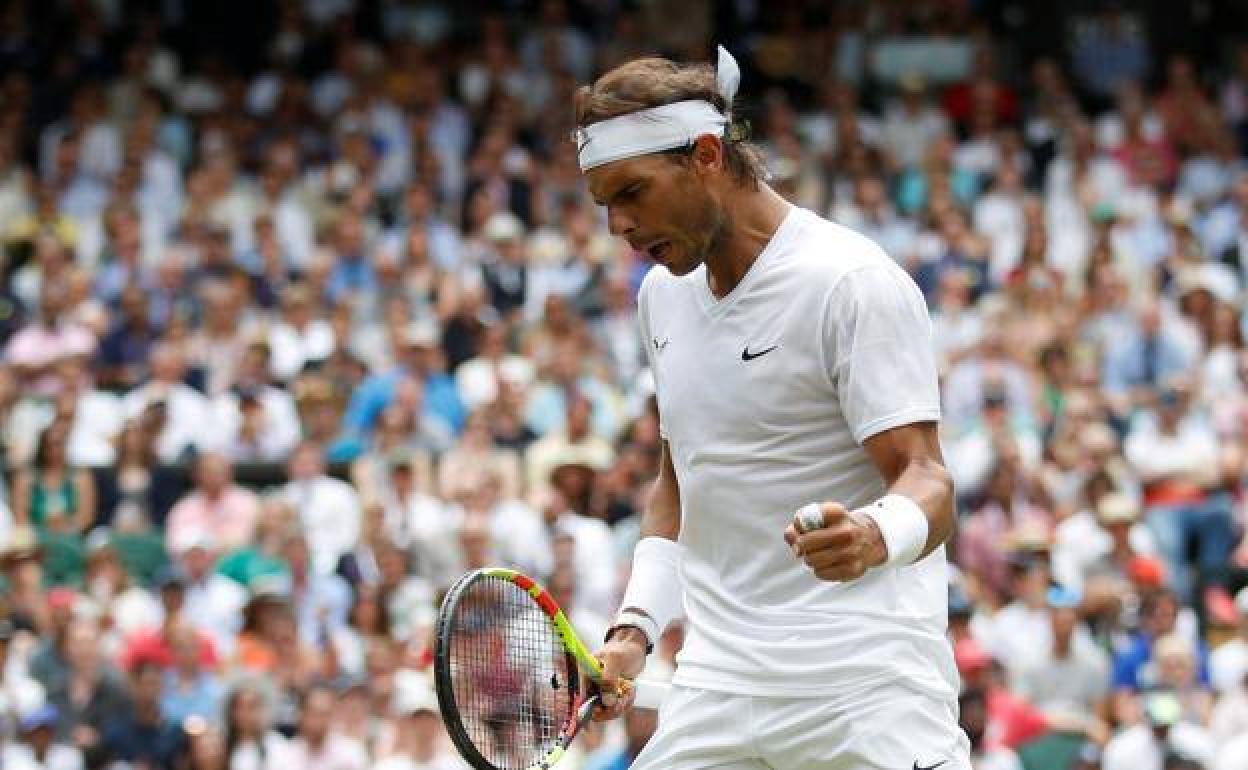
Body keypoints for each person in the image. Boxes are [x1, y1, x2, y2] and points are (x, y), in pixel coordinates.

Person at [583, 47, 969, 769]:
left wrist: (872, 533)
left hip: (867, 688)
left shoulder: (850, 281)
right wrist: (635, 629)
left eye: (632, 192)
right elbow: (680, 484)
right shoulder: (660, 295)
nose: (619, 225)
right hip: (717, 685)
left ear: (706, 155)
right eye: (605, 203)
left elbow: (930, 483)